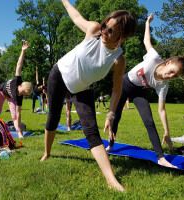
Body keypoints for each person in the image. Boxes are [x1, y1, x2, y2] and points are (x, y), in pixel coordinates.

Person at [41, 0, 137, 192]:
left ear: (123, 36)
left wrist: (110, 114)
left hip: (82, 87)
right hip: (59, 75)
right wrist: (64, 1)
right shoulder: (94, 30)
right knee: (53, 117)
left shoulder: (118, 60)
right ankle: (47, 153)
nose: (104, 31)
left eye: (111, 31)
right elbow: (75, 16)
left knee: (91, 131)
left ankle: (111, 180)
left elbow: (117, 89)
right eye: (105, 26)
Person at [106, 13, 184, 169]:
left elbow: (162, 110)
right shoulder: (154, 57)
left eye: (176, 76)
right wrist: (147, 22)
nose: (171, 75)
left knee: (149, 121)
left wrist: (167, 132)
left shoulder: (163, 85)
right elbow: (146, 40)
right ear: (167, 63)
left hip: (139, 91)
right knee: (116, 115)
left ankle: (160, 157)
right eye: (172, 71)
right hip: (125, 83)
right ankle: (111, 145)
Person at [0, 41, 33, 138]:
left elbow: (18, 115)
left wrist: (19, 133)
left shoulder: (19, 98)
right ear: (21, 85)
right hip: (1, 92)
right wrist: (23, 51)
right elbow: (19, 65)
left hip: (11, 98)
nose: (21, 94)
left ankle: (19, 132)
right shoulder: (17, 80)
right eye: (22, 91)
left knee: (14, 116)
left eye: (24, 94)